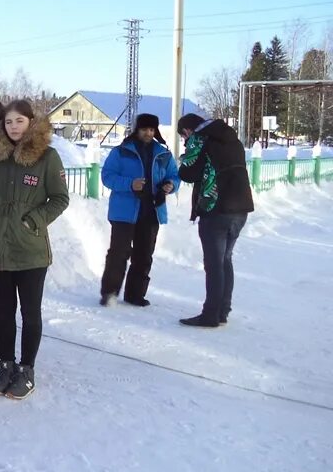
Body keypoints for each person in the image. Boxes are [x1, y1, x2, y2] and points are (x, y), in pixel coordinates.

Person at [0, 100, 69, 400]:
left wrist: (34, 220)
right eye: (8, 122)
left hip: (30, 250)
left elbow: (59, 198)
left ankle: (27, 370)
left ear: (31, 122)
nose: (13, 127)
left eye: (19, 121)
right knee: (4, 312)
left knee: (30, 313)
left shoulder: (48, 157)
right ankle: (6, 366)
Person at [176, 113, 254, 327]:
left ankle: (210, 314)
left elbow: (188, 173)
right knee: (225, 260)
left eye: (183, 136)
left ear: (188, 130)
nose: (185, 140)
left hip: (216, 207)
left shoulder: (200, 139)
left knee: (214, 264)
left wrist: (185, 158)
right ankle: (222, 311)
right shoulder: (232, 139)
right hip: (240, 208)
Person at [99, 113, 180, 308]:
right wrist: (131, 184)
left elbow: (175, 176)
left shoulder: (164, 154)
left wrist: (170, 185)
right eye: (144, 129)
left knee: (144, 255)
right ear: (137, 129)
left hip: (152, 211)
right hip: (124, 213)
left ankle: (135, 294)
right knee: (118, 253)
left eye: (152, 130)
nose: (148, 133)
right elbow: (107, 177)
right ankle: (109, 293)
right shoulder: (121, 152)